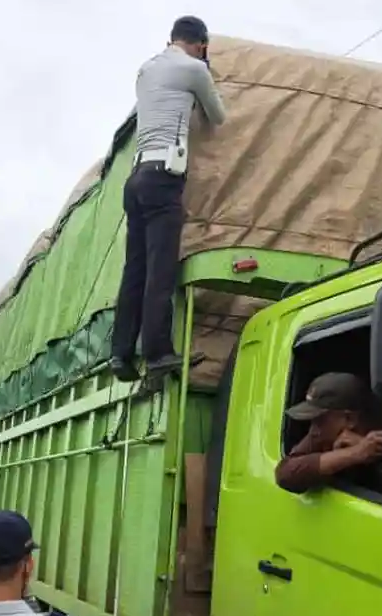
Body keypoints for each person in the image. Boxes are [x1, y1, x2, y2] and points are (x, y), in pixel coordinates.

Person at [110, 15, 226, 384]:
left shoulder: (146, 70)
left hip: (136, 179)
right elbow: (218, 116)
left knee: (135, 269)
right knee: (161, 269)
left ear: (171, 39)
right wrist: (205, 69)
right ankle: (158, 352)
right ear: (201, 44)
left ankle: (121, 352)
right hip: (164, 177)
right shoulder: (195, 69)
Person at [275, 372, 382, 494]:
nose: (313, 430)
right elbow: (286, 474)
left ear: (350, 419)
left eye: (320, 421)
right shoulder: (320, 436)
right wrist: (354, 453)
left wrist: (377, 452)